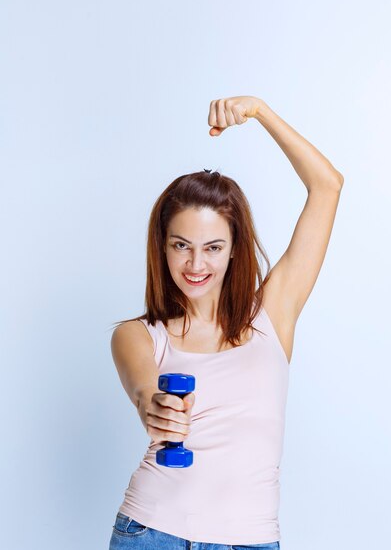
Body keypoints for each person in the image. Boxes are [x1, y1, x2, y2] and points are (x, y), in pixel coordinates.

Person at [108, 96, 344, 549]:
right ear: (162, 246)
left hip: (249, 540)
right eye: (181, 245)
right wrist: (153, 406)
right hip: (152, 532)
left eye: (213, 247)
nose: (196, 263)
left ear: (235, 248)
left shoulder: (272, 316)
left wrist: (260, 112)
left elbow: (327, 186)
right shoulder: (138, 335)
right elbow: (144, 390)